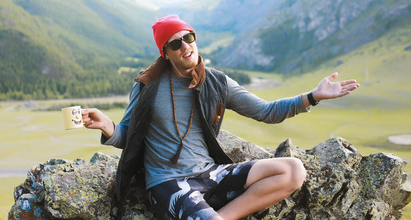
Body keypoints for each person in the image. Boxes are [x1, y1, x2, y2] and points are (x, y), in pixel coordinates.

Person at [82, 14, 360, 220]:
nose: (185, 46)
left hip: (210, 172)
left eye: (188, 38)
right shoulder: (147, 86)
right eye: (175, 44)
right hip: (168, 183)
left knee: (293, 171)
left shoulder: (216, 82)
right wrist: (106, 125)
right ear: (165, 53)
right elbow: (128, 137)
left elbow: (266, 111)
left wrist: (313, 96)